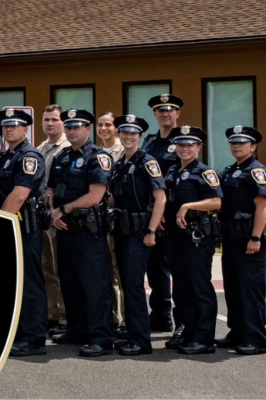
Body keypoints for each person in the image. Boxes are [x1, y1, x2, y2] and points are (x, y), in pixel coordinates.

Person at [47, 108, 115, 357]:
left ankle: (102, 336)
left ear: (88, 129)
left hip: (89, 231)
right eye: (70, 127)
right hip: (64, 229)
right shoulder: (62, 156)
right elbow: (51, 188)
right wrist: (54, 211)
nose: (72, 131)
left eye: (78, 127)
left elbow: (96, 195)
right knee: (70, 282)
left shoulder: (98, 157)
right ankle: (78, 329)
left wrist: (64, 209)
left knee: (95, 286)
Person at [0, 109, 48, 357]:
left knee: (29, 283)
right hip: (9, 226)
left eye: (15, 126)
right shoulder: (4, 156)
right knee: (12, 283)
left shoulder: (29, 157)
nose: (9, 129)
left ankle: (34, 339)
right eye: (6, 126)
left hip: (23, 228)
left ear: (26, 130)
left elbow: (19, 194)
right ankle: (17, 332)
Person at [162, 126, 222, 355]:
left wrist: (188, 206)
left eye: (190, 145)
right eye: (181, 145)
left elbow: (216, 202)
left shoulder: (205, 172)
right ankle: (187, 332)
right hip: (175, 237)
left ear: (199, 147)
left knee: (200, 288)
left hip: (197, 238)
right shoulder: (172, 171)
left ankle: (204, 339)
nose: (185, 149)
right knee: (181, 288)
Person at [107, 114, 164, 356]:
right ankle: (132, 334)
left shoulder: (147, 162)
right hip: (122, 230)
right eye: (124, 132)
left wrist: (151, 231)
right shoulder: (120, 163)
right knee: (128, 285)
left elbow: (160, 197)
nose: (128, 136)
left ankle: (141, 341)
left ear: (140, 137)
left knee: (133, 286)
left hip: (140, 233)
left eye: (133, 133)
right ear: (119, 135)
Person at [217, 126, 266, 356]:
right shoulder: (230, 171)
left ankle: (256, 339)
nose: (237, 146)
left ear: (253, 146)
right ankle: (237, 332)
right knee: (233, 287)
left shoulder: (256, 171)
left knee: (250, 289)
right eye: (233, 142)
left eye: (242, 142)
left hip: (250, 238)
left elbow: (262, 207)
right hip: (233, 237)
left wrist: (255, 238)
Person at [142, 94, 184, 336]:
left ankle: (182, 321)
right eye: (160, 111)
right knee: (155, 268)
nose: (165, 114)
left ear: (177, 113)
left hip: (173, 217)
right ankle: (160, 316)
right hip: (152, 216)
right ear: (155, 114)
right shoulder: (149, 142)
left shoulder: (185, 141)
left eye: (170, 110)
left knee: (177, 270)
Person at [35, 105, 69, 338]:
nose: (50, 124)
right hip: (43, 217)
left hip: (59, 216)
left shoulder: (67, 149)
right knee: (46, 268)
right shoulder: (41, 148)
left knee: (61, 269)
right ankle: (52, 314)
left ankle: (66, 317)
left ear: (63, 123)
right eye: (46, 119)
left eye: (54, 120)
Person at [96, 111, 127, 339]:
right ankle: (110, 317)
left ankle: (122, 320)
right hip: (98, 219)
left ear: (116, 128)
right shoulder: (97, 151)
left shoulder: (122, 151)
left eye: (108, 125)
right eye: (100, 125)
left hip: (115, 218)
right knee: (105, 271)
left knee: (117, 271)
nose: (104, 128)